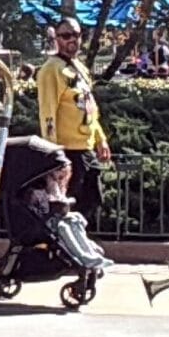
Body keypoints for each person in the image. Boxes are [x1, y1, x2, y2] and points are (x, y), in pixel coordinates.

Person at [37, 16, 111, 231]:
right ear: (56, 38)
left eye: (77, 35)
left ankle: (79, 242)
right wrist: (53, 154)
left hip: (86, 147)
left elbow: (90, 107)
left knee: (92, 199)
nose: (72, 40)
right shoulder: (51, 70)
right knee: (67, 203)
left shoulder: (79, 67)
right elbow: (47, 114)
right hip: (66, 150)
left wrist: (101, 139)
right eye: (66, 35)